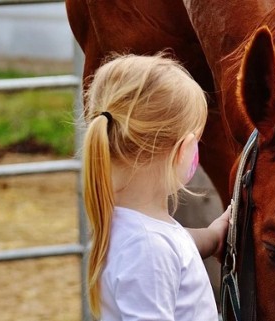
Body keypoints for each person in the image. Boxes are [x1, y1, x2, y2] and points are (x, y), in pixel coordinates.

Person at [81, 54, 229, 321]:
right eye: (198, 140)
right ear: (183, 149)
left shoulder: (133, 228)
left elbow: (176, 245)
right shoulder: (147, 249)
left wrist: (214, 236)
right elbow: (161, 253)